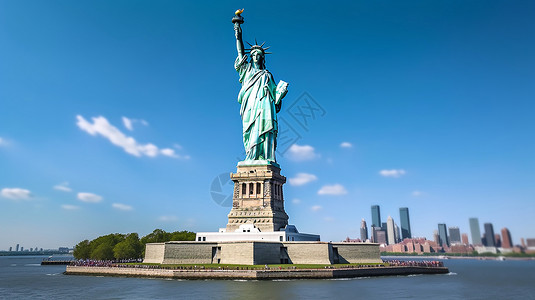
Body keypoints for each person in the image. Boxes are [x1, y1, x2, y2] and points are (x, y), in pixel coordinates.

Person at [233, 21, 288, 164]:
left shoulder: (267, 75)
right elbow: (240, 52)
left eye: (259, 54)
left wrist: (281, 94)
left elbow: (275, 97)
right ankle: (251, 156)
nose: (256, 56)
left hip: (265, 106)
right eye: (253, 54)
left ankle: (266, 156)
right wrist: (238, 34)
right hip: (250, 105)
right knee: (250, 130)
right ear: (250, 57)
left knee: (265, 128)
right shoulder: (247, 70)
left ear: (262, 57)